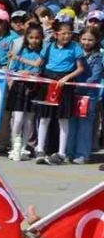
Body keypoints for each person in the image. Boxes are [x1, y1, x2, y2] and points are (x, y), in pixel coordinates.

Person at [34, 21, 84, 165]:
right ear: (56, 34)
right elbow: (38, 63)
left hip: (65, 83)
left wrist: (67, 78)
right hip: (49, 81)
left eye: (69, 33)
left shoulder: (75, 47)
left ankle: (62, 152)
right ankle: (40, 149)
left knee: (63, 118)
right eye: (63, 33)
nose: (66, 36)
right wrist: (17, 58)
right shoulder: (49, 46)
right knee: (44, 117)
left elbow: (80, 68)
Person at [5, 23, 46, 162]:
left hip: (34, 87)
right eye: (31, 37)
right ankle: (14, 146)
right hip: (20, 86)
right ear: (26, 38)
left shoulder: (42, 52)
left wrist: (31, 72)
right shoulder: (21, 51)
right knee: (17, 119)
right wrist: (19, 72)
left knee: (29, 120)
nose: (34, 40)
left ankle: (24, 147)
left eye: (37, 38)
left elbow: (40, 69)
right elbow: (13, 69)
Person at [69, 26, 101, 164]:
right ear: (79, 39)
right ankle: (69, 152)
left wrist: (79, 84)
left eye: (90, 40)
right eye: (84, 39)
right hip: (72, 93)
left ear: (96, 40)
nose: (86, 42)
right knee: (71, 124)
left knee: (85, 125)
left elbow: (95, 75)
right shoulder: (74, 52)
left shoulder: (98, 56)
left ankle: (83, 154)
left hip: (88, 95)